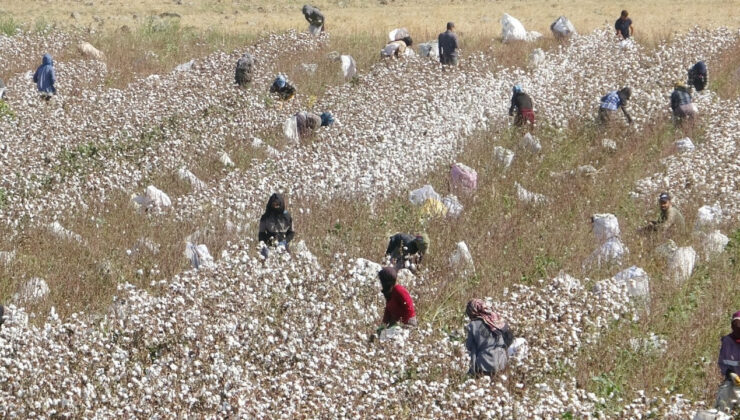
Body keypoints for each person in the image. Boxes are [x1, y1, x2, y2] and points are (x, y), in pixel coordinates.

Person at [465, 299, 514, 377]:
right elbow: (509, 337)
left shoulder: (473, 325)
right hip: (501, 360)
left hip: (484, 362)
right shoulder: (496, 320)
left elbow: (469, 345)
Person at [716, 311, 740, 412]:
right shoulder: (727, 341)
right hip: (732, 382)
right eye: (736, 324)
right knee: (722, 405)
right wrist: (730, 374)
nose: (738, 327)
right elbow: (722, 362)